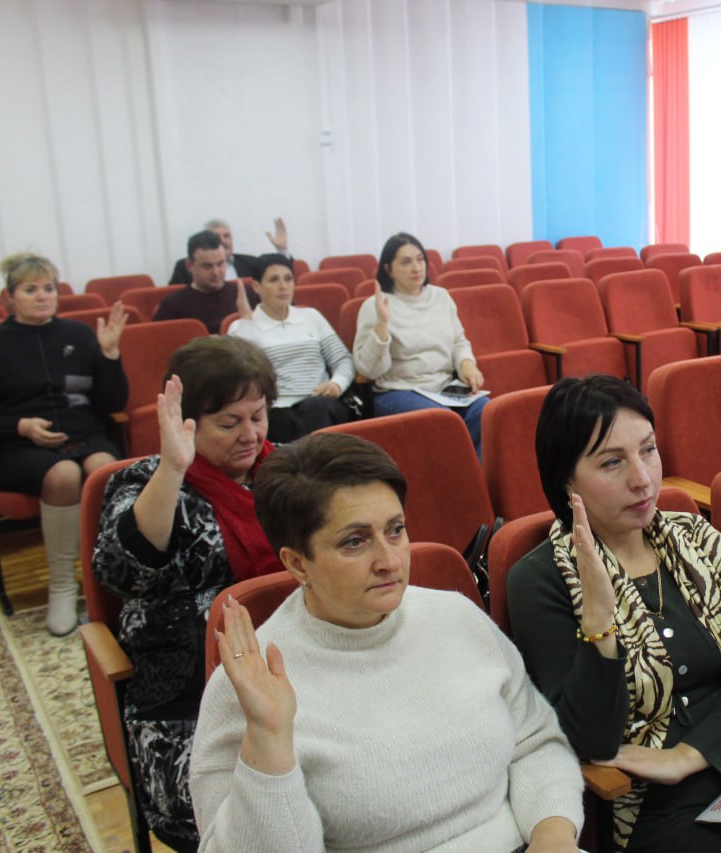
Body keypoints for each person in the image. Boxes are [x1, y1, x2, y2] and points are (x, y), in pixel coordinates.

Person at [508, 376, 721, 853]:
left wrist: (689, 755)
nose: (642, 478)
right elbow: (589, 738)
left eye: (648, 450)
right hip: (653, 801)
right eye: (612, 462)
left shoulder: (695, 537)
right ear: (565, 479)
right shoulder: (543, 579)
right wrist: (601, 627)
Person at [190, 432, 585, 851]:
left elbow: (535, 742)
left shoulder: (456, 617)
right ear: (297, 563)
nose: (389, 560)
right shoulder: (252, 684)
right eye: (354, 542)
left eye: (396, 530)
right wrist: (269, 739)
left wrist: (553, 837)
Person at [92, 335, 285, 851]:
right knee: (246, 817)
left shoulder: (289, 473)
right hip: (189, 696)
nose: (250, 434)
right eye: (229, 423)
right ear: (188, 424)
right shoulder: (142, 483)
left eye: (258, 416)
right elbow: (123, 574)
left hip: (295, 668)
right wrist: (172, 470)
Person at [0, 252, 128, 635]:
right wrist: (21, 426)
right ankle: (63, 584)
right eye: (30, 289)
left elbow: (112, 404)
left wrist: (110, 355)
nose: (42, 296)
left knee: (104, 469)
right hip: (17, 446)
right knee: (64, 474)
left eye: (49, 288)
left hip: (83, 434)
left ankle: (107, 578)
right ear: (10, 297)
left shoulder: (79, 335)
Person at [353, 232, 488, 454]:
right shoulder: (374, 306)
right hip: (398, 390)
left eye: (420, 259)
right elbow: (369, 370)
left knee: (486, 411)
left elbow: (458, 341)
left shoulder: (441, 297)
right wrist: (382, 326)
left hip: (442, 387)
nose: (416, 268)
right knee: (442, 420)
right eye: (406, 262)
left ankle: (476, 473)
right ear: (388, 269)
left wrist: (466, 363)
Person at [227, 254, 355, 442]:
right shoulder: (242, 327)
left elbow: (343, 359)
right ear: (256, 287)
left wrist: (337, 384)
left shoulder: (311, 317)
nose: (283, 286)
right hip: (275, 410)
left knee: (318, 410)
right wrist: (246, 323)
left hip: (321, 402)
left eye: (288, 279)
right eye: (273, 280)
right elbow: (238, 375)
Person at [155, 230, 260, 334]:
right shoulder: (172, 306)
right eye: (207, 266)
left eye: (220, 264)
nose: (216, 272)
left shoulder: (247, 294)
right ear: (189, 266)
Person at [168, 216, 288, 284]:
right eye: (216, 237)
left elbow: (281, 278)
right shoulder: (183, 267)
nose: (223, 241)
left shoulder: (250, 262)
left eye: (226, 236)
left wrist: (281, 250)